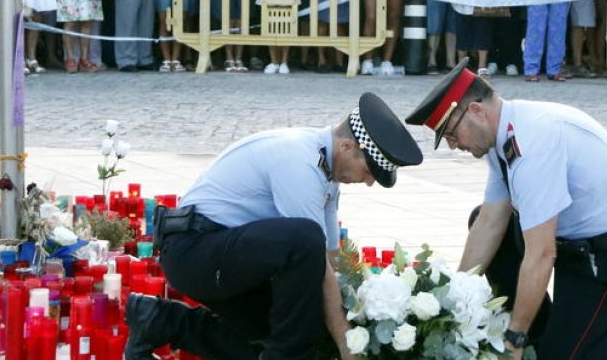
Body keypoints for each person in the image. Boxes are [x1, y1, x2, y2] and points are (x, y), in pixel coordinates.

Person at [405, 61, 607, 360]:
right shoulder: (502, 135)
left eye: (450, 133)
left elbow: (542, 253)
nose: (452, 145)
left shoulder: (531, 142)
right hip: (575, 241)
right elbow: (489, 222)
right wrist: (453, 301)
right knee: (481, 221)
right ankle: (543, 335)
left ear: (476, 111)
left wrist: (514, 336)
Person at [130, 92, 424, 360]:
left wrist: (356, 316)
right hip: (194, 252)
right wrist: (349, 347)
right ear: (348, 146)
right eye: (370, 170)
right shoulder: (300, 162)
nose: (370, 181)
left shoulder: (327, 175)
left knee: (291, 328)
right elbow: (315, 260)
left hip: (221, 254)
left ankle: (159, 320)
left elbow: (332, 259)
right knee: (304, 244)